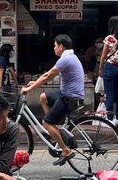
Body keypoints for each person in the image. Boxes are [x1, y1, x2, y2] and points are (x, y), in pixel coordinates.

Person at [22, 34, 85, 165]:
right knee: (43, 97)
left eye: (55, 45)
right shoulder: (70, 57)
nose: (54, 48)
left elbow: (47, 76)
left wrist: (30, 88)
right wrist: (35, 82)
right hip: (68, 94)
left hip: (69, 98)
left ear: (61, 46)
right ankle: (54, 129)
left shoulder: (65, 59)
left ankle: (66, 150)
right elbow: (47, 75)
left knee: (46, 123)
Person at [97, 16, 118, 122]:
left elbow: (104, 55)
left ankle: (110, 118)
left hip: (109, 67)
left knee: (109, 93)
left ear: (111, 25)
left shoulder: (109, 38)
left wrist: (100, 68)